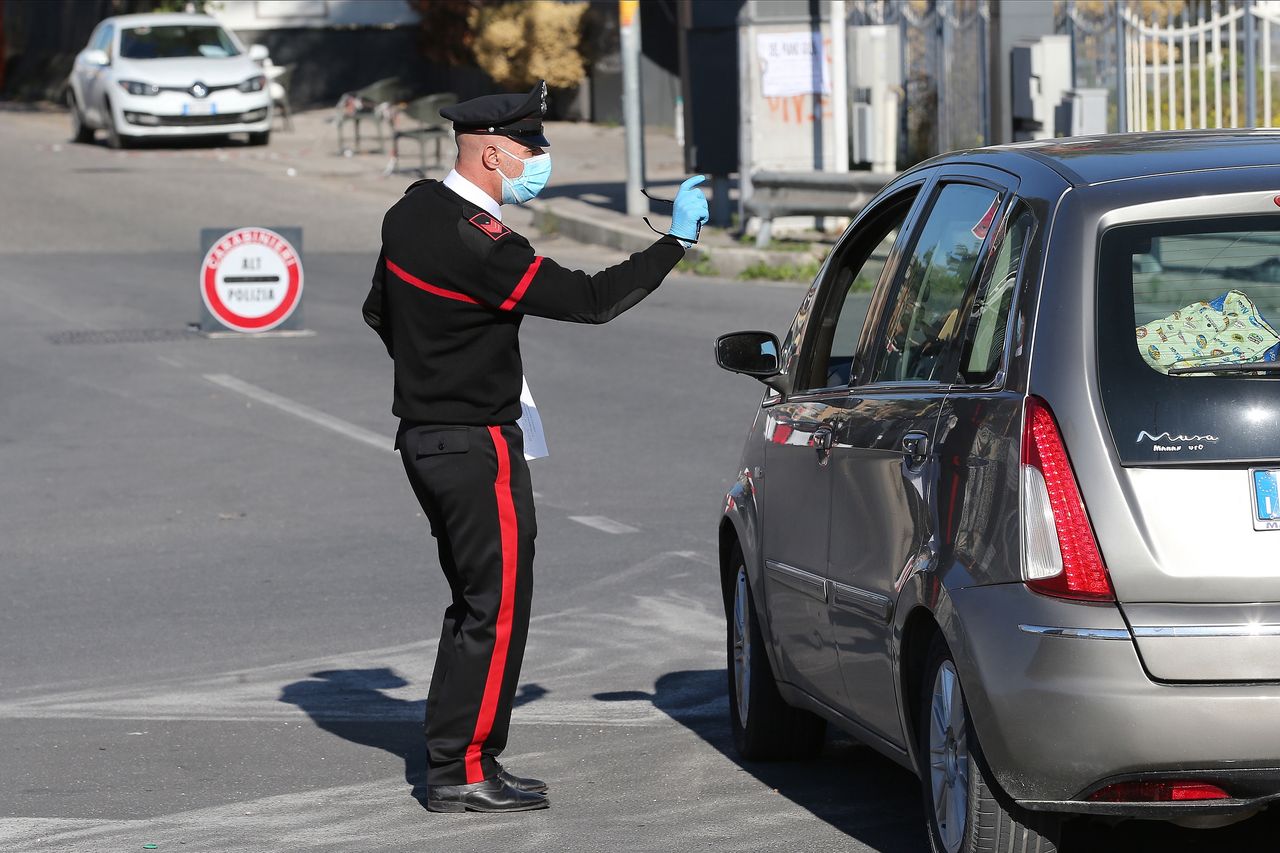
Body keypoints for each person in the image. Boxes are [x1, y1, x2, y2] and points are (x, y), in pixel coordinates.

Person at [362, 80, 708, 814]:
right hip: (475, 444)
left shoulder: (412, 211)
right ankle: (463, 768)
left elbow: (377, 309)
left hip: (424, 437)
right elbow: (590, 299)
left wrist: (433, 365)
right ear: (492, 151)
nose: (540, 159)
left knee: (472, 603)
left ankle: (462, 752)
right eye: (530, 148)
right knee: (497, 606)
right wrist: (675, 240)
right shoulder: (484, 246)